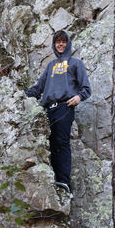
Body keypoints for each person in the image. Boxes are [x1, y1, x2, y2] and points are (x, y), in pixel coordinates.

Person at [25, 30, 91, 197]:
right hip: (48, 109)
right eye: (57, 42)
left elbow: (86, 88)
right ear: (54, 45)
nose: (60, 44)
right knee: (50, 143)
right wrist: (21, 93)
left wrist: (79, 97)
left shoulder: (75, 63)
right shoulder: (51, 66)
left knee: (61, 142)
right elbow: (38, 88)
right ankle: (54, 178)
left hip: (64, 106)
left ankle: (64, 181)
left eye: (63, 41)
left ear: (68, 43)